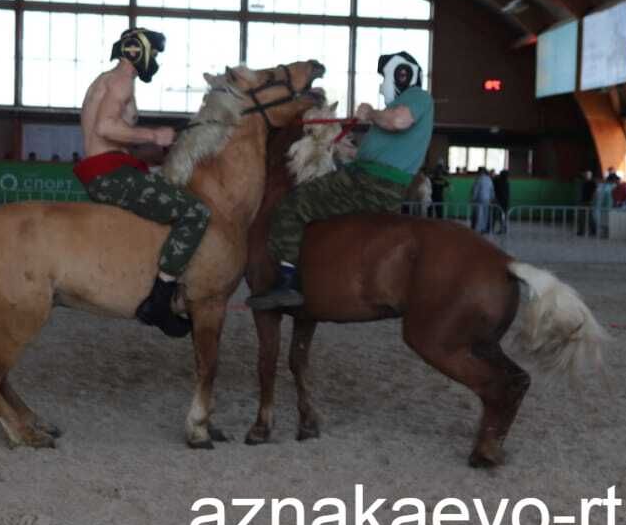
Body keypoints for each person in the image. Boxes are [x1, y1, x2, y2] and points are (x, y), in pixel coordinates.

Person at [247, 50, 434, 310]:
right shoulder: (399, 107)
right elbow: (380, 144)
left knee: (292, 205)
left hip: (368, 182)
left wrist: (371, 113)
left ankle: (287, 283)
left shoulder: (417, 97)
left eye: (386, 76)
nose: (383, 83)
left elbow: (399, 122)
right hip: (369, 176)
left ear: (401, 75)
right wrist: (344, 149)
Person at [74, 27, 211, 338]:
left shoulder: (108, 80)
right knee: (196, 212)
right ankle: (159, 301)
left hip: (113, 169)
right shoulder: (122, 81)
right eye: (156, 54)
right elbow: (106, 127)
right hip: (111, 176)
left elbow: (110, 135)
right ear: (139, 51)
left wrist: (163, 144)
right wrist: (153, 135)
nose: (157, 61)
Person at [471, 166, 494, 234]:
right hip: (487, 199)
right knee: (485, 214)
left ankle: (478, 229)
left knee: (479, 214)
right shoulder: (489, 179)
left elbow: (476, 190)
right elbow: (492, 190)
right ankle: (483, 228)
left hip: (479, 198)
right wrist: (492, 198)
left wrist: (473, 198)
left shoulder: (478, 179)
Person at [577, 170, 597, 236]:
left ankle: (593, 231)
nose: (585, 176)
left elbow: (594, 193)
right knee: (581, 217)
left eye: (587, 175)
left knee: (590, 217)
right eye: (585, 175)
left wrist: (592, 200)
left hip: (589, 202)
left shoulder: (592, 183)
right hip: (583, 201)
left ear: (590, 175)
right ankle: (581, 231)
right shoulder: (583, 182)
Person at [493, 168, 511, 234]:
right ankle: (504, 229)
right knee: (503, 216)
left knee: (496, 215)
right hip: (505, 201)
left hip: (499, 201)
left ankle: (498, 229)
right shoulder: (506, 182)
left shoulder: (498, 181)